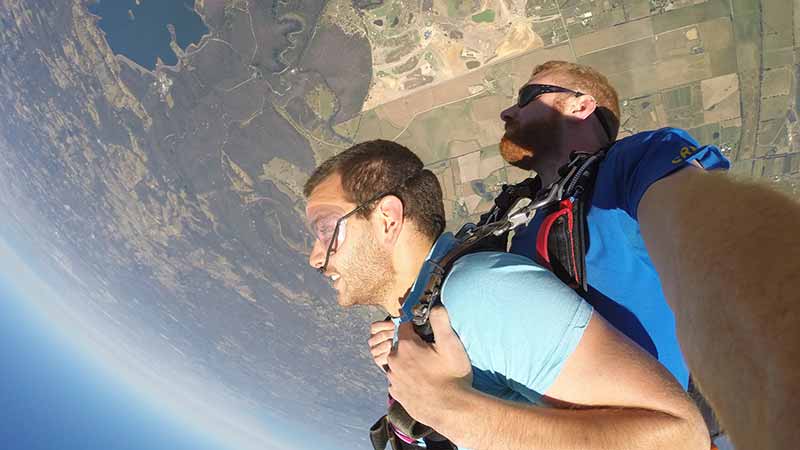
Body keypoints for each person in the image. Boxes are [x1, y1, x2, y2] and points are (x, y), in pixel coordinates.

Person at [388, 61, 799, 450]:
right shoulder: (524, 220)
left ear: (582, 104)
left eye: (527, 96)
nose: (507, 112)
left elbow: (709, 227)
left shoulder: (635, 163)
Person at [304, 140, 710, 450]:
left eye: (325, 229)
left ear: (388, 219)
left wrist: (449, 407)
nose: (314, 256)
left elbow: (679, 436)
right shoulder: (425, 316)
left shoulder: (477, 294)